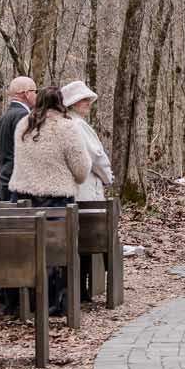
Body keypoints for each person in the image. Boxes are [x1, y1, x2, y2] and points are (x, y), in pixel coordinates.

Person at [6, 85, 90, 319]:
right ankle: (55, 303)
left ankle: (22, 302)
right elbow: (82, 169)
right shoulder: (67, 128)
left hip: (21, 198)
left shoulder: (23, 125)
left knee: (24, 251)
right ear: (60, 103)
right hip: (55, 200)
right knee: (57, 253)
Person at [60, 80, 113, 304]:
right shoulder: (78, 125)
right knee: (88, 240)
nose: (88, 104)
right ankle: (82, 290)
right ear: (73, 103)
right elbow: (96, 157)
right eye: (84, 100)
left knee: (82, 242)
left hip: (79, 190)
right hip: (85, 191)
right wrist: (108, 177)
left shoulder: (68, 123)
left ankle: (83, 289)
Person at [0, 74, 36, 315]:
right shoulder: (22, 116)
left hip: (4, 179)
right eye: (34, 91)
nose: (36, 96)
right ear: (25, 93)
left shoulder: (5, 115)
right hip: (14, 183)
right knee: (14, 240)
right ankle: (11, 296)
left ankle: (7, 294)